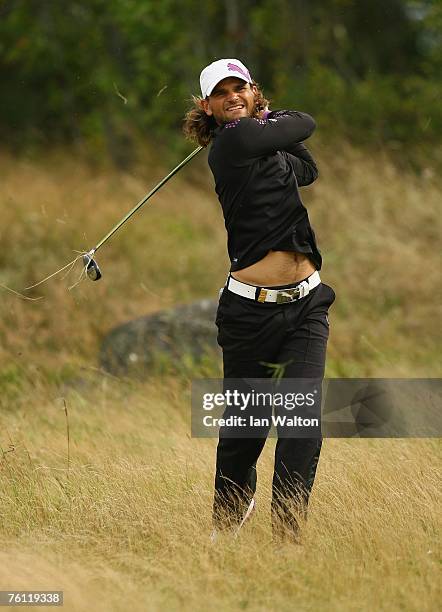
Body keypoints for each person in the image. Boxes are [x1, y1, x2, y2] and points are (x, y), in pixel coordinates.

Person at [183, 58, 336, 540]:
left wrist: (266, 121)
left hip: (305, 306)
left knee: (301, 423)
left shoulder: (260, 144)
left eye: (241, 88)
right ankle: (224, 528)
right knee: (243, 438)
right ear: (208, 107)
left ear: (253, 91)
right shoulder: (230, 144)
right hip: (249, 314)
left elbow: (306, 168)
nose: (233, 95)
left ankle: (287, 540)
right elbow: (305, 123)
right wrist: (265, 115)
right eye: (222, 92)